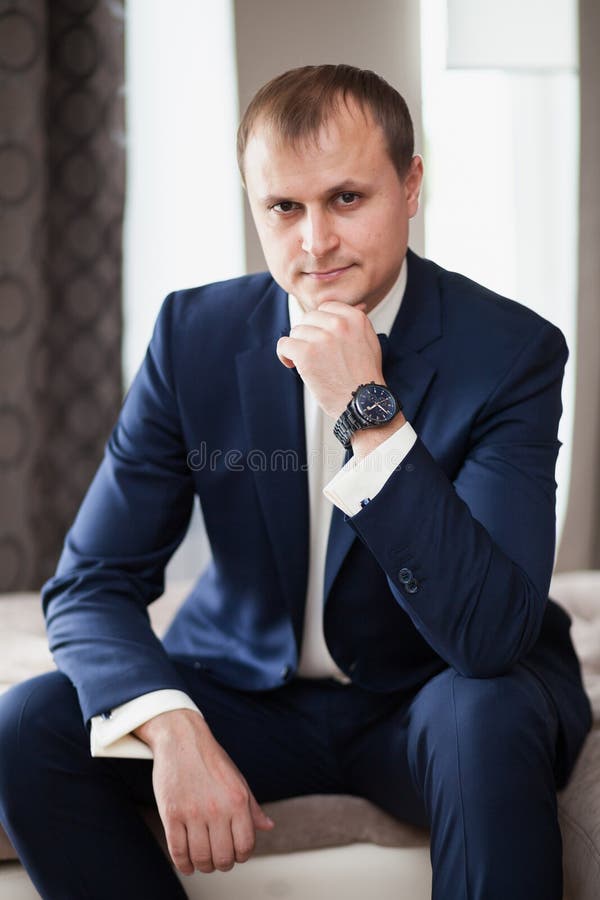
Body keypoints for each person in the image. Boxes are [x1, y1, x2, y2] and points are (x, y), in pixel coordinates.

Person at [0, 64, 592, 900]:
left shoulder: (510, 353)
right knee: (28, 725)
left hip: (430, 696)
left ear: (411, 184)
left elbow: (491, 636)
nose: (314, 243)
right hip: (247, 695)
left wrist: (368, 408)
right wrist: (170, 724)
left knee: (486, 713)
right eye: (284, 207)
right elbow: (93, 579)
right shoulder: (193, 336)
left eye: (347, 198)